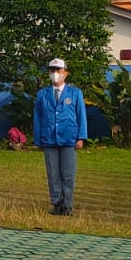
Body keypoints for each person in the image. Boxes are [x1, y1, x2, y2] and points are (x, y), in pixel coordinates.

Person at [34, 58, 87, 216]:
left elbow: (81, 115)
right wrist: (38, 139)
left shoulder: (75, 93)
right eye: (52, 70)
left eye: (58, 70)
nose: (55, 74)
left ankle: (68, 205)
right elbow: (37, 117)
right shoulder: (42, 94)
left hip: (68, 137)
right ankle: (56, 203)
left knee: (68, 173)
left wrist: (81, 137)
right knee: (53, 173)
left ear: (66, 73)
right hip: (49, 138)